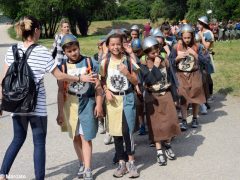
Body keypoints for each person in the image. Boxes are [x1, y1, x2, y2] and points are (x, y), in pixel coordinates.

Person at [0, 16, 86, 180]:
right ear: (37, 30)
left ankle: (2, 174)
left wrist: (1, 103)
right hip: (36, 107)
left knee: (17, 139)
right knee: (39, 143)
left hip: (16, 106)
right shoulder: (42, 52)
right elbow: (60, 76)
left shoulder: (11, 50)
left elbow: (2, 81)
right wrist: (80, 78)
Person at [56, 34, 103, 180]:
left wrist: (99, 104)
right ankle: (81, 162)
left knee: (86, 137)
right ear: (64, 52)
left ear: (79, 47)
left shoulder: (90, 62)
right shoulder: (62, 67)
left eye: (75, 49)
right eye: (69, 51)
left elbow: (98, 86)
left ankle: (88, 168)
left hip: (87, 104)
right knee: (76, 137)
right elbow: (60, 90)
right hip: (70, 105)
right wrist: (60, 112)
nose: (73, 53)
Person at [99, 32, 140, 178]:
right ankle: (121, 163)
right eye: (112, 44)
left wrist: (127, 73)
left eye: (118, 44)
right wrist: (106, 91)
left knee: (127, 131)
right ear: (108, 46)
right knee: (116, 132)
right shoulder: (105, 62)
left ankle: (131, 162)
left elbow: (136, 81)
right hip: (112, 101)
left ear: (122, 44)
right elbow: (102, 79)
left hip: (127, 99)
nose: (116, 47)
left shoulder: (128, 60)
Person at [140, 37, 181, 165]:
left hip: (166, 94)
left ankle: (168, 145)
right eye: (152, 53)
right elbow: (149, 80)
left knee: (169, 121)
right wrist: (155, 66)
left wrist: (175, 97)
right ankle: (159, 151)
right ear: (146, 53)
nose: (156, 54)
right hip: (153, 97)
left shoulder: (165, 61)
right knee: (156, 124)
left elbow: (171, 79)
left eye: (157, 51)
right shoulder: (143, 65)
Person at [169, 24, 206, 131]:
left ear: (192, 36)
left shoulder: (198, 46)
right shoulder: (176, 47)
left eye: (189, 37)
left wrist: (195, 54)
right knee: (183, 97)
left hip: (194, 74)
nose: (187, 40)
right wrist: (176, 58)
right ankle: (184, 120)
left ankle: (194, 118)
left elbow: (206, 61)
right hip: (181, 74)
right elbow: (169, 62)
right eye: (184, 38)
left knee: (195, 96)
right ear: (181, 37)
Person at [197, 16, 215, 112]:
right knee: (203, 77)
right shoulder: (200, 32)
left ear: (203, 24)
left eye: (199, 23)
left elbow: (206, 47)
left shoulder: (208, 33)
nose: (197, 25)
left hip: (207, 57)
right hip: (200, 57)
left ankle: (209, 95)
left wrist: (201, 37)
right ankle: (205, 96)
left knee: (207, 76)